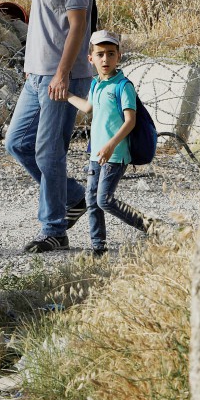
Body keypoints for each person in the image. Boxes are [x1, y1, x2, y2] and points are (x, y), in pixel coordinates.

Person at [5, 0, 92, 253]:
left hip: (62, 78)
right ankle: (72, 196)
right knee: (18, 143)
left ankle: (54, 230)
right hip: (37, 76)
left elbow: (77, 26)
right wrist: (32, 67)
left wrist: (61, 74)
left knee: (48, 152)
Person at [64, 30, 150, 257]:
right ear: (90, 58)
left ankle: (148, 225)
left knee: (104, 199)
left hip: (115, 153)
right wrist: (67, 95)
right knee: (92, 201)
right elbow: (89, 108)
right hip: (96, 154)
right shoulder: (96, 84)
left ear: (119, 56)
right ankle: (98, 247)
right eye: (100, 54)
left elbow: (130, 121)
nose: (105, 59)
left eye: (111, 54)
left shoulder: (123, 86)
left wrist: (111, 144)